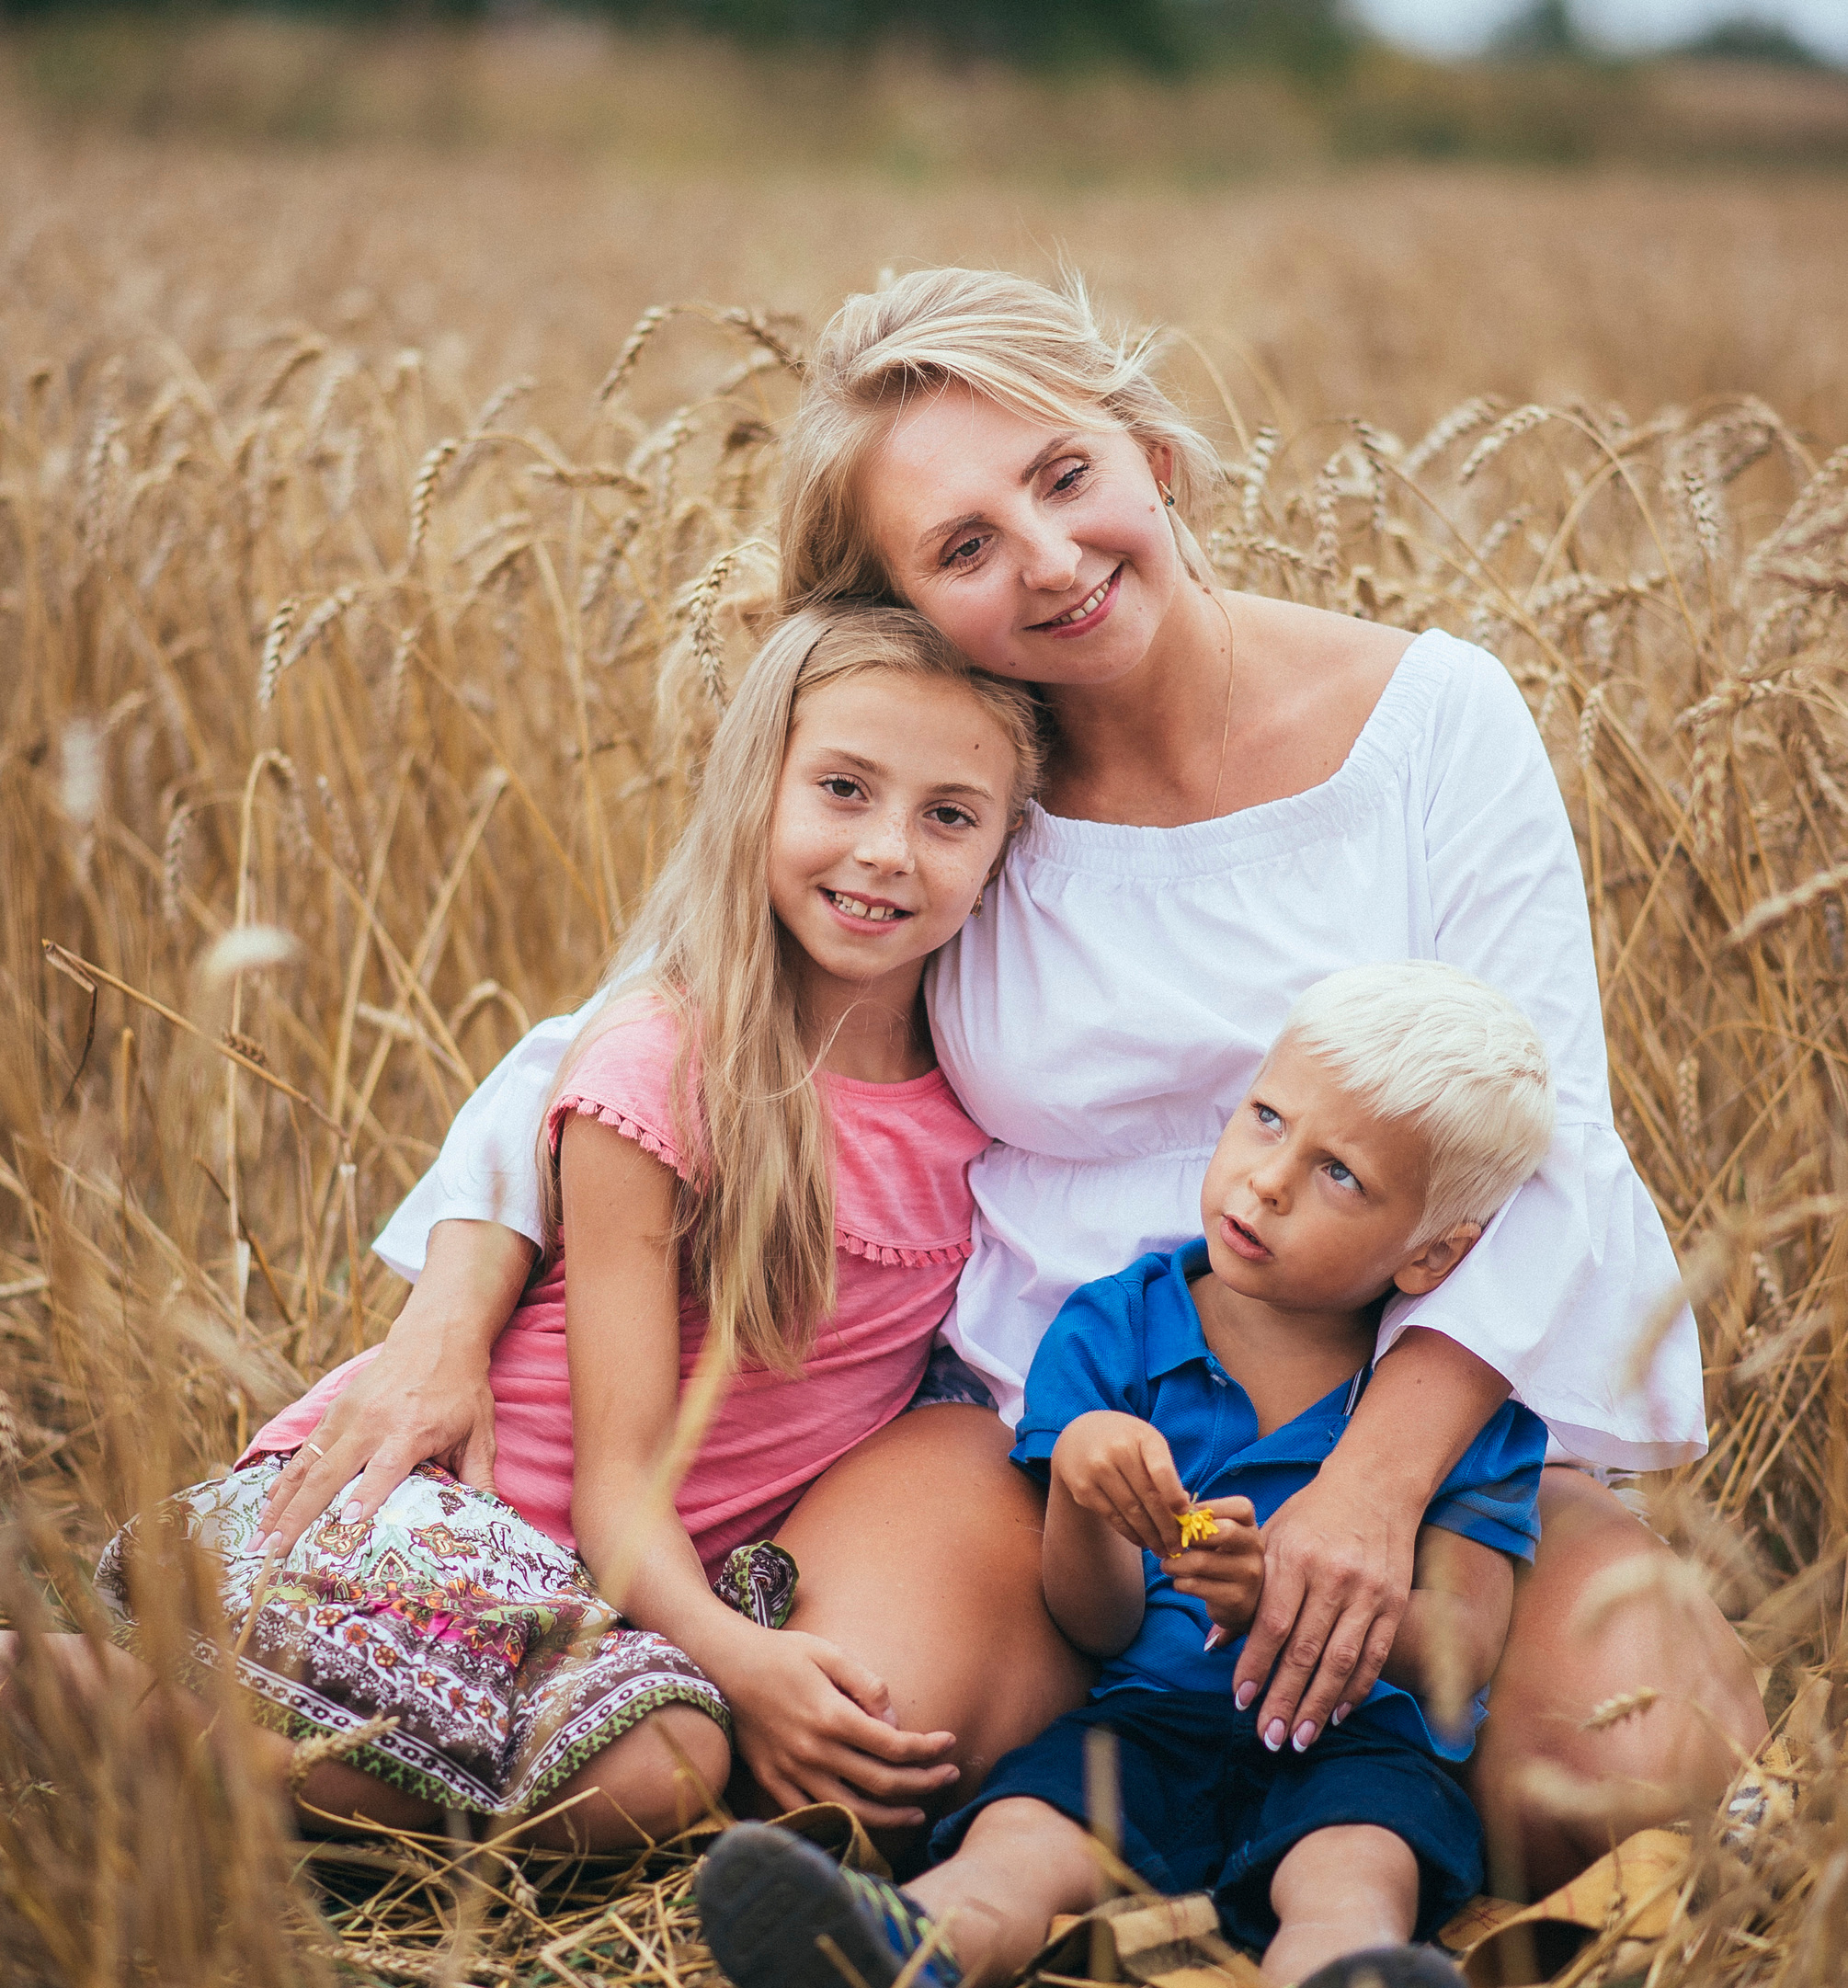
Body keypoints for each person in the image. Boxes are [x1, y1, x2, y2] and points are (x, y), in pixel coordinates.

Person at [256, 268, 1766, 1892]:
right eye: (962, 548)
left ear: (1151, 457)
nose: (1047, 560)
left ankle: (1319, 1875)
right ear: (906, 605)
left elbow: (1550, 1143)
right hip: (1038, 1436)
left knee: (1616, 1786)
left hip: (1415, 1414)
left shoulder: (1431, 724)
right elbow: (630, 1049)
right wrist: (445, 1320)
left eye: (1064, 476)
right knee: (856, 1754)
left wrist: (1371, 1489)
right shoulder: (963, 790)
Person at [77, 605, 1055, 1849]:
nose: (886, 851)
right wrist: (739, 1660)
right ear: (754, 789)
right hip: (449, 1522)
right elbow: (617, 1480)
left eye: (949, 816)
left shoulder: (984, 1103)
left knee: (672, 1752)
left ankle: (225, 1758)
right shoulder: (663, 1070)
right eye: (843, 789)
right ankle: (97, 1707)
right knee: (666, 1769)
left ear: (1005, 849)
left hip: (618, 1589)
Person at [697, 964, 1552, 1988]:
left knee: (1353, 1875)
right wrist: (1082, 1494)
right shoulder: (1117, 1331)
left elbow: (1466, 1648)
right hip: (1143, 1722)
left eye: (1340, 1173)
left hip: (1360, 1744)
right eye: (1266, 1119)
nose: (1268, 1179)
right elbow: (1093, 1623)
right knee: (1020, 1840)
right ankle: (897, 1957)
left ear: (1431, 1256)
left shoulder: (1461, 1420)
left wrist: (1282, 1595)